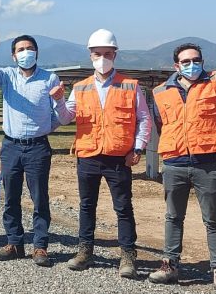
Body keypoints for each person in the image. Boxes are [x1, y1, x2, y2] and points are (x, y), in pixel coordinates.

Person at [147, 12, 216, 294]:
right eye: (186, 61)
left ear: (203, 63)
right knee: (172, 216)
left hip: (208, 164)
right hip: (175, 164)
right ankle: (169, 265)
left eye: (196, 61)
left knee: (213, 220)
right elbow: (161, 124)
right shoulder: (160, 93)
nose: (192, 65)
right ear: (176, 66)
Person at [56, 29, 151, 278]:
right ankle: (85, 251)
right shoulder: (80, 88)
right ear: (91, 56)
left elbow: (143, 119)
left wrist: (138, 147)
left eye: (107, 53)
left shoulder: (130, 85)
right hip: (88, 154)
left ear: (115, 54)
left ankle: (128, 256)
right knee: (87, 206)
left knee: (123, 207)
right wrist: (58, 101)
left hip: (118, 157)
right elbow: (66, 118)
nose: (102, 58)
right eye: (98, 54)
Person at [0, 26, 61, 267]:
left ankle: (40, 246)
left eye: (29, 49)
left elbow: (59, 112)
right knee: (11, 196)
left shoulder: (49, 78)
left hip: (38, 147)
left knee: (39, 197)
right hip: (11, 146)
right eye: (20, 50)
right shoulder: (7, 76)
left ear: (37, 53)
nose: (26, 53)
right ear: (14, 57)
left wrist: (46, 127)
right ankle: (14, 242)